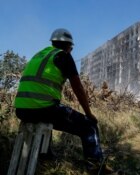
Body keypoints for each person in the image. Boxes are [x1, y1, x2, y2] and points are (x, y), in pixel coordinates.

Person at [14, 28, 113, 174]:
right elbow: (78, 87)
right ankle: (96, 166)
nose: (71, 51)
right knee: (89, 127)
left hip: (21, 110)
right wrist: (89, 114)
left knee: (47, 116)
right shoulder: (63, 56)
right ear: (68, 46)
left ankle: (46, 157)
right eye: (71, 48)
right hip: (43, 109)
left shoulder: (39, 55)